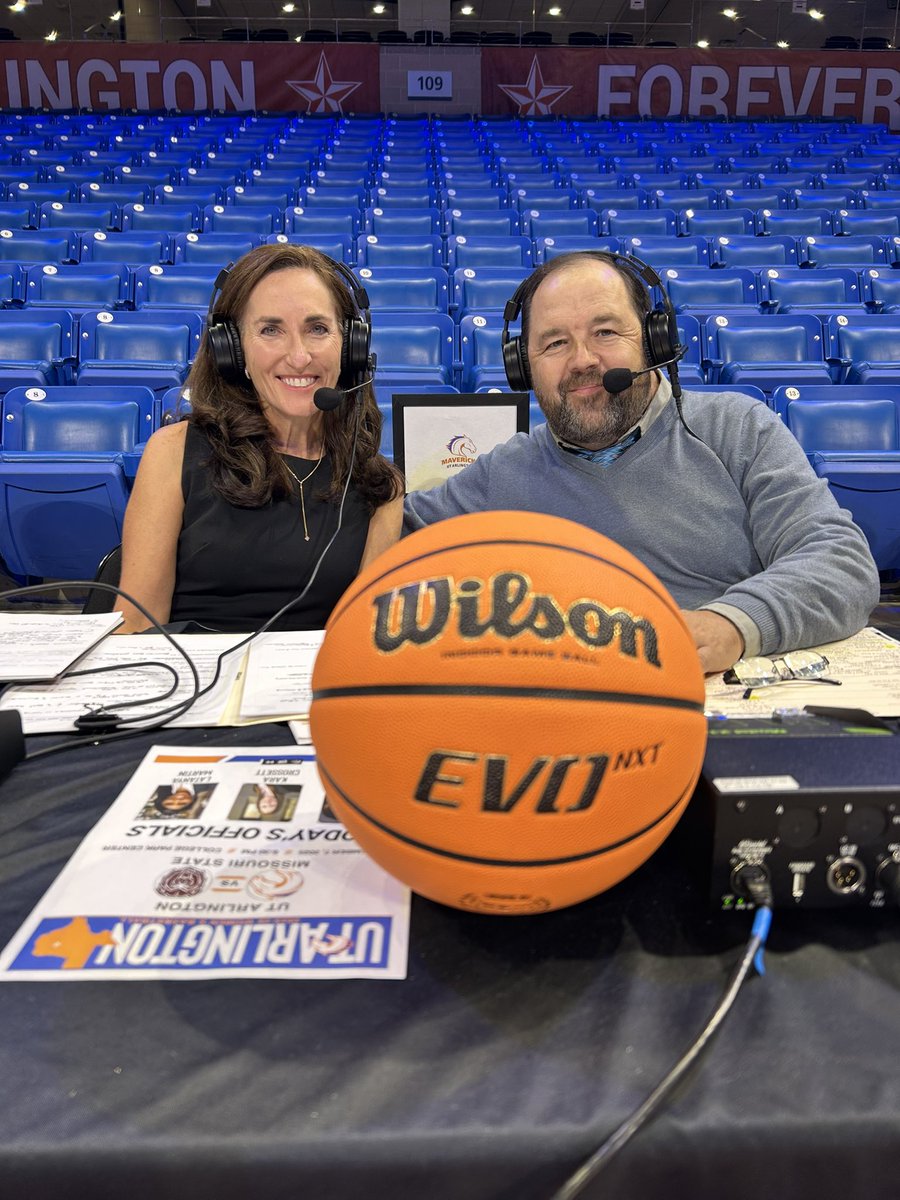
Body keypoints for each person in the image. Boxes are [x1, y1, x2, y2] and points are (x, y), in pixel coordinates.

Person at [404, 251, 880, 674]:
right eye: (554, 343)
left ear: (653, 340)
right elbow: (388, 537)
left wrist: (732, 625)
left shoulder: (736, 428)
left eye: (605, 332)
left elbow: (839, 561)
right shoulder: (504, 473)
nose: (582, 360)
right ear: (522, 367)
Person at [116, 243, 404, 634]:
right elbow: (134, 626)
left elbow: (365, 636)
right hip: (192, 670)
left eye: (317, 329)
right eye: (270, 330)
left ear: (351, 346)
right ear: (233, 351)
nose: (299, 356)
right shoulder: (173, 451)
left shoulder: (379, 484)